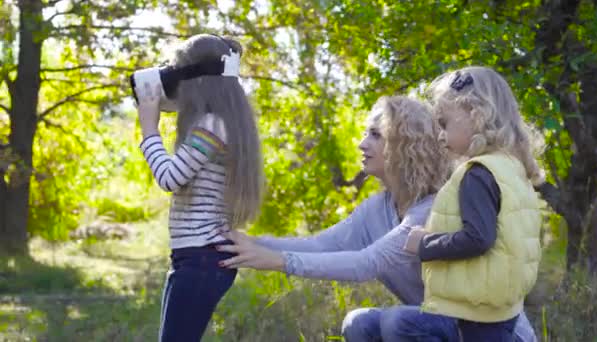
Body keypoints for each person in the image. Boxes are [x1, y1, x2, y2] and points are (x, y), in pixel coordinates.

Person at [215, 95, 538, 341]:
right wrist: (245, 243)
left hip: (495, 334)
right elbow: (321, 244)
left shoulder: (435, 205)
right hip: (441, 324)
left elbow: (366, 263)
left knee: (398, 321)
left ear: (405, 145)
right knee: (360, 322)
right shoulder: (377, 208)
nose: (361, 143)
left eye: (374, 134)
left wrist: (272, 260)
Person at [403, 66, 545, 341]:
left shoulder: (478, 174)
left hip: (477, 311)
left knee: (388, 325)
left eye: (444, 123)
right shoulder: (512, 169)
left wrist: (424, 244)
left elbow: (478, 238)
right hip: (503, 306)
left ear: (477, 114)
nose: (440, 135)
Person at [136, 34, 263, 341]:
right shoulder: (217, 122)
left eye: (177, 72)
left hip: (201, 257)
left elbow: (169, 178)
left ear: (197, 80)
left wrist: (149, 129)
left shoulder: (212, 124)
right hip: (194, 256)